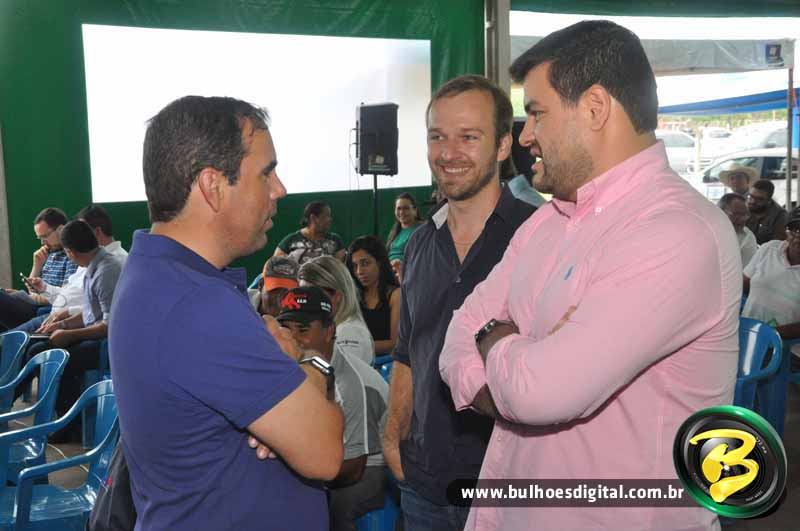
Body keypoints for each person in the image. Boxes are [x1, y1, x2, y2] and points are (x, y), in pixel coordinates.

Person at [439, 20, 740, 531]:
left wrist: (494, 342)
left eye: (537, 113)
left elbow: (541, 392)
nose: (525, 136)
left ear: (596, 108)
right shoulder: (548, 222)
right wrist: (512, 369)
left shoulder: (678, 232)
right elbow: (457, 337)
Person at [109, 95, 343, 530]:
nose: (279, 189)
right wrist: (308, 363)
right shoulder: (197, 305)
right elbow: (326, 453)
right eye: (266, 173)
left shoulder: (154, 273)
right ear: (212, 186)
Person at [383, 74, 535, 531]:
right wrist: (393, 434)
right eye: (437, 137)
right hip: (424, 486)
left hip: (509, 486)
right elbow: (408, 353)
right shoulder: (418, 244)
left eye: (468, 137)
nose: (448, 153)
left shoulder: (541, 237)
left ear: (503, 145)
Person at [276, 286, 389, 531]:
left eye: (303, 330)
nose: (293, 338)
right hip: (325, 454)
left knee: (336, 507)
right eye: (286, 329)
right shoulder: (292, 365)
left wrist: (299, 475)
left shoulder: (354, 383)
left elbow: (355, 468)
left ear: (329, 332)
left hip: (373, 465)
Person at [22, 220, 125, 433]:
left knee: (46, 355)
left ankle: (68, 426)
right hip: (94, 334)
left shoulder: (107, 270)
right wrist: (63, 324)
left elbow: (110, 326)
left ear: (70, 252)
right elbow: (89, 313)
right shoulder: (92, 265)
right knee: (34, 347)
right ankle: (61, 419)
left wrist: (70, 335)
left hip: (106, 344)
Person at [13, 204, 128, 334]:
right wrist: (44, 288)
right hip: (57, 317)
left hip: (75, 324)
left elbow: (104, 314)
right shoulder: (88, 259)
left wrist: (66, 321)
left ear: (96, 232)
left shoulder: (115, 263)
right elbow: (67, 295)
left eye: (81, 232)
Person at [0, 207, 78, 330]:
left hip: (44, 309)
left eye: (45, 236)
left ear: (61, 229)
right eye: (40, 238)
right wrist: (37, 265)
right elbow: (33, 290)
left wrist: (27, 297)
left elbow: (65, 296)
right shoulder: (49, 252)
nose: (42, 242)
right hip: (35, 304)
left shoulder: (72, 255)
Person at [299, 255, 375, 365]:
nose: (306, 302)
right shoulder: (329, 327)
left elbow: (341, 375)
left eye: (313, 296)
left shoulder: (349, 332)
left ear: (337, 296)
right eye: (303, 294)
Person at [742, 208, 800, 340]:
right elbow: (744, 284)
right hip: (747, 335)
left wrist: (769, 334)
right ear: (786, 232)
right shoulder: (769, 249)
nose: (798, 235)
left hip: (785, 346)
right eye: (794, 228)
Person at [346, 235, 401, 355]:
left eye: (365, 263)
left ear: (379, 263)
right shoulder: (353, 294)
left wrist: (354, 346)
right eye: (355, 266)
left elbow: (394, 343)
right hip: (355, 358)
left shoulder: (395, 295)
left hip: (385, 362)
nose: (359, 271)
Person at [274, 201, 346, 263]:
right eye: (327, 216)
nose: (330, 219)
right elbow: (274, 264)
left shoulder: (335, 240)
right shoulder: (291, 240)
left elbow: (341, 269)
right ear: (313, 218)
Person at [386, 193, 424, 282]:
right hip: (390, 273)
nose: (401, 212)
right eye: (398, 208)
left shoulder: (422, 229)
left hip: (408, 276)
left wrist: (400, 267)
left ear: (415, 210)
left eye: (406, 208)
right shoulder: (395, 231)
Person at [718, 193, 758, 268]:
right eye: (735, 214)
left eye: (745, 214)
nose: (742, 219)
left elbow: (747, 270)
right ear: (720, 212)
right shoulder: (707, 232)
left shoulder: (747, 237)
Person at [746, 179, 788, 244]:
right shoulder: (743, 208)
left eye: (759, 199)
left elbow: (776, 244)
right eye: (751, 196)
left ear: (769, 201)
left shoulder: (780, 215)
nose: (753, 201)